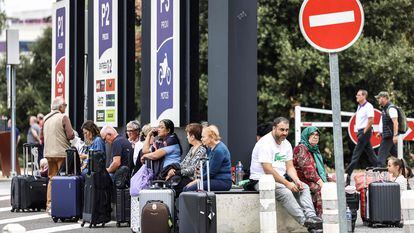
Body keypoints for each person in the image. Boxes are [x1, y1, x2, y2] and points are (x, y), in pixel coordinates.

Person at [249, 117, 322, 232]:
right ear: (274, 128)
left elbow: (289, 167)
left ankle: (312, 218)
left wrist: (296, 180)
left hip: (280, 179)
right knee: (286, 192)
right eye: (281, 130)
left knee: (304, 187)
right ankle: (306, 222)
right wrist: (287, 183)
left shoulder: (286, 144)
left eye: (287, 130)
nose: (284, 133)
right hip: (261, 180)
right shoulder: (265, 143)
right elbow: (268, 169)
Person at [41, 97, 75, 213]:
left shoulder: (45, 118)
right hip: (61, 153)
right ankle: (62, 204)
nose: (65, 107)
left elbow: (41, 137)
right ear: (60, 107)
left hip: (49, 153)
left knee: (52, 178)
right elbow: (71, 135)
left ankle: (49, 205)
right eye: (64, 105)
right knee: (63, 178)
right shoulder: (63, 117)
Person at [293, 126, 335, 217]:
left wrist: (332, 181)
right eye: (312, 134)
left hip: (312, 179)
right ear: (306, 136)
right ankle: (320, 219)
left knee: (336, 187)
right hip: (302, 180)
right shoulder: (300, 148)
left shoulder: (314, 150)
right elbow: (309, 171)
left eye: (317, 135)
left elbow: (320, 171)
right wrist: (322, 183)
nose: (315, 136)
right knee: (321, 189)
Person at [183, 125, 232, 192]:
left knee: (189, 189)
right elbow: (205, 167)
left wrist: (198, 180)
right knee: (186, 188)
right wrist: (199, 177)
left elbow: (212, 172)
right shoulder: (210, 148)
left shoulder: (219, 150)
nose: (201, 139)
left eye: (203, 137)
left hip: (223, 181)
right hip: (213, 179)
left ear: (211, 137)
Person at [345, 90, 378, 185]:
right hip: (361, 131)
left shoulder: (368, 106)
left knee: (356, 154)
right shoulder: (359, 106)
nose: (356, 96)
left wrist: (364, 132)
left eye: (358, 95)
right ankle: (380, 169)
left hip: (365, 131)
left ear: (364, 96)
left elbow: (371, 120)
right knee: (371, 153)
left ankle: (347, 174)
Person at [165, 123, 207, 195]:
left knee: (172, 187)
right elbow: (183, 164)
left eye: (187, 135)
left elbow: (193, 169)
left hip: (192, 179)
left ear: (192, 136)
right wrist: (174, 170)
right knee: (168, 184)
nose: (187, 137)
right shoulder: (192, 148)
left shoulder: (202, 150)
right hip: (185, 177)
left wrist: (176, 172)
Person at [376, 91, 399, 166]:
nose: (378, 100)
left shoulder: (391, 108)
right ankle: (408, 172)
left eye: (379, 98)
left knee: (380, 158)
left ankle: (380, 176)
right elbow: (385, 122)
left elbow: (395, 123)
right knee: (397, 157)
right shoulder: (385, 109)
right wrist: (380, 132)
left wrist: (395, 136)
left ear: (384, 98)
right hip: (387, 135)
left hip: (389, 136)